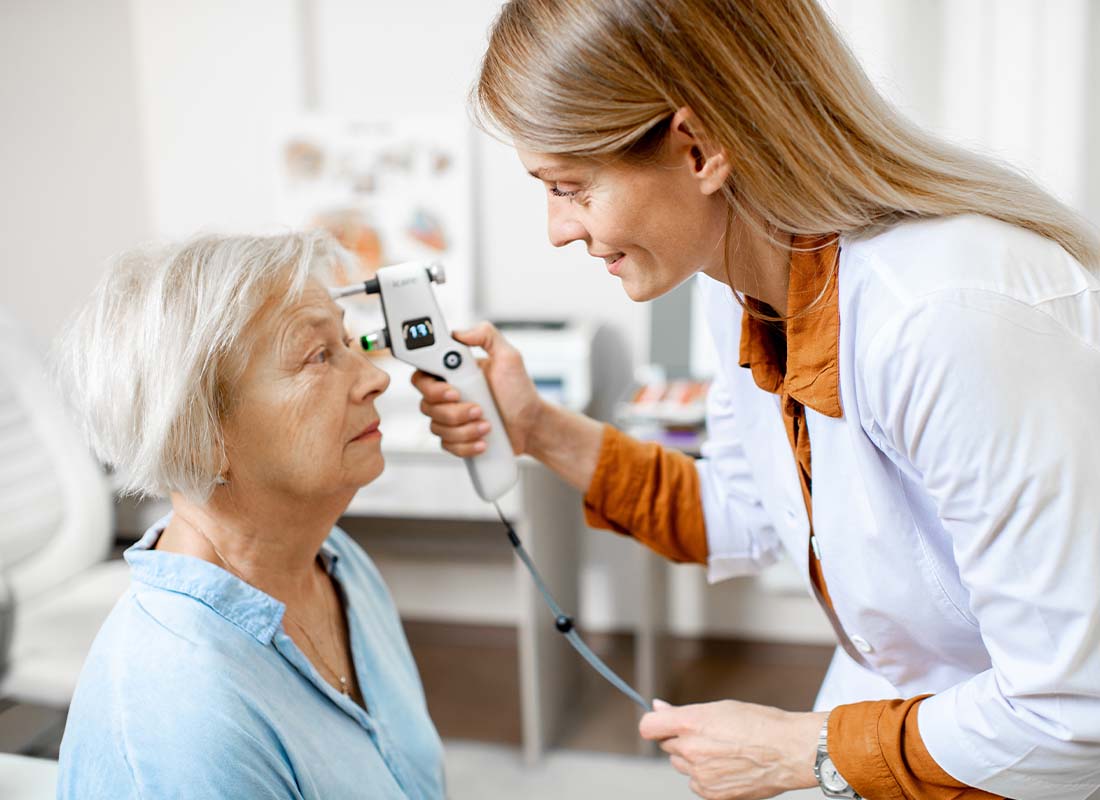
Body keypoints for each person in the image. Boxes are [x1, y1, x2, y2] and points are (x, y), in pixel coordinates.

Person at [413, 1, 1100, 798]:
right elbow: (746, 512)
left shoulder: (947, 317)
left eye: (571, 187)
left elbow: (1073, 713)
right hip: (907, 702)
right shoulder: (739, 280)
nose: (557, 230)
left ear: (698, 147)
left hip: (1025, 750)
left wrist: (800, 751)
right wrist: (534, 428)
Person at [55, 232, 444, 799]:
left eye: (347, 341)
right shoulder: (185, 713)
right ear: (198, 439)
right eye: (318, 356)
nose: (375, 378)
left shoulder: (338, 564)